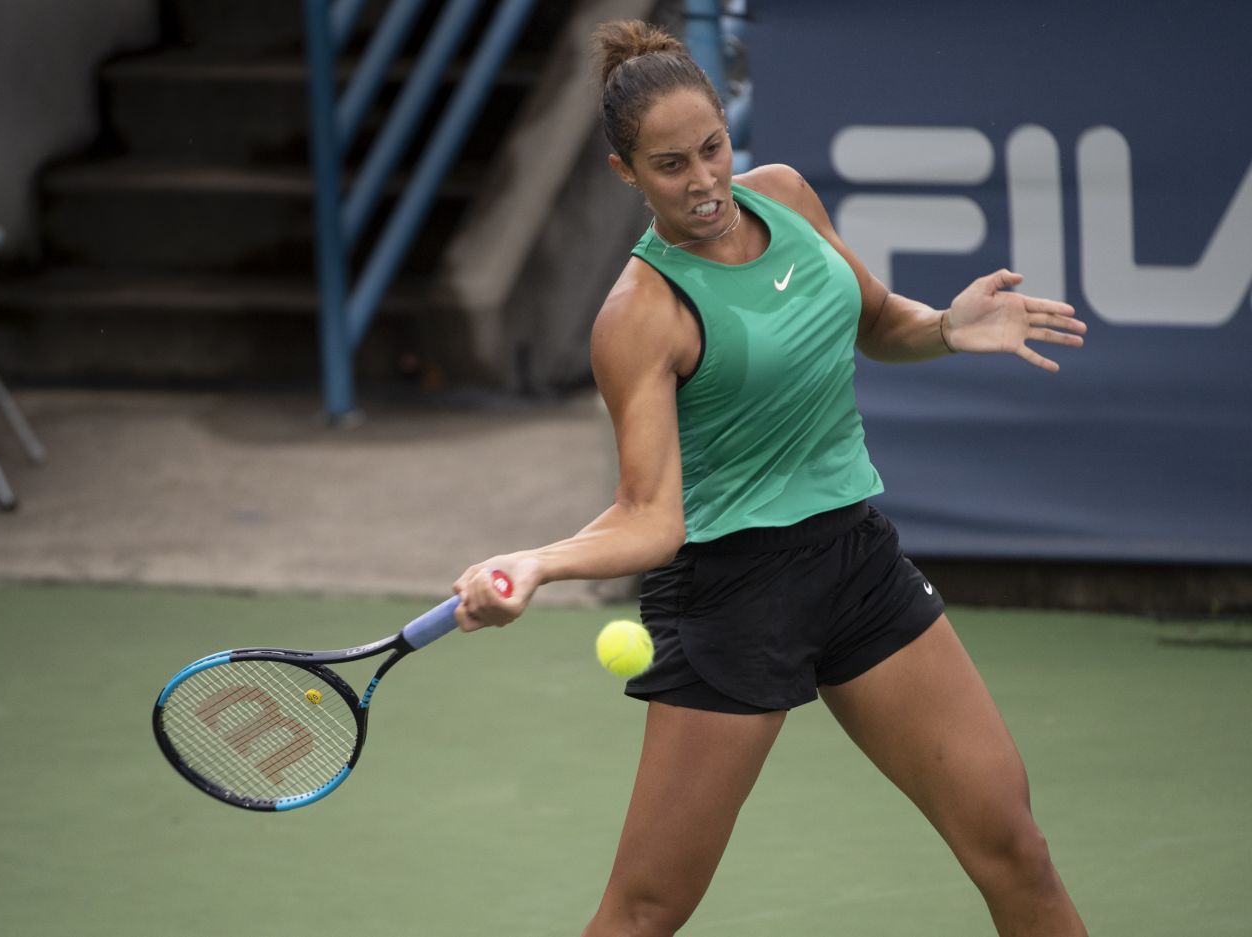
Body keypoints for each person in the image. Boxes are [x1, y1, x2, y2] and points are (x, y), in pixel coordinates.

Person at [454, 19, 1089, 937]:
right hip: (733, 595)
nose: (704, 182)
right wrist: (539, 563)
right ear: (624, 172)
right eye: (670, 166)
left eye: (711, 148)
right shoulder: (638, 315)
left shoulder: (786, 196)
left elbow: (875, 320)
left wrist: (947, 327)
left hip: (857, 562)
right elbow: (647, 517)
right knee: (644, 911)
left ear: (727, 128)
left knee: (1014, 845)